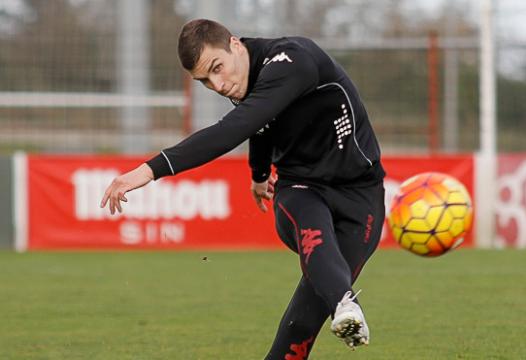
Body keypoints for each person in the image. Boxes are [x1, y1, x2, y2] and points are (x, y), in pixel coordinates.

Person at [100, 18, 386, 359]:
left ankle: (341, 302)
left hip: (361, 197)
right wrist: (260, 173)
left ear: (235, 44)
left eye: (217, 68)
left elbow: (238, 127)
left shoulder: (293, 61)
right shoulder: (244, 78)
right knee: (314, 229)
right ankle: (344, 302)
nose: (217, 85)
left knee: (301, 326)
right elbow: (261, 125)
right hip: (300, 188)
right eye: (204, 80)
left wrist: (150, 169)